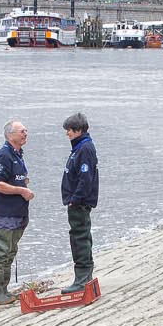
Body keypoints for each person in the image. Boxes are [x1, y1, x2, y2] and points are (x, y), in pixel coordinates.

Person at [0, 120, 32, 305]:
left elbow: (13, 179)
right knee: (2, 252)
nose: (25, 133)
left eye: (26, 131)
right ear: (10, 135)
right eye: (22, 131)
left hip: (17, 213)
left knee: (10, 251)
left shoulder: (17, 154)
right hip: (3, 214)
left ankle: (4, 290)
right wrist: (21, 191)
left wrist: (23, 183)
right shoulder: (4, 155)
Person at [58, 113, 98, 291]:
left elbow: (85, 177)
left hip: (80, 203)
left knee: (79, 238)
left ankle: (82, 279)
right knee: (80, 236)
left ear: (79, 130)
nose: (67, 133)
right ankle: (84, 277)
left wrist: (75, 199)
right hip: (76, 201)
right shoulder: (79, 147)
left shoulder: (85, 148)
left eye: (70, 130)